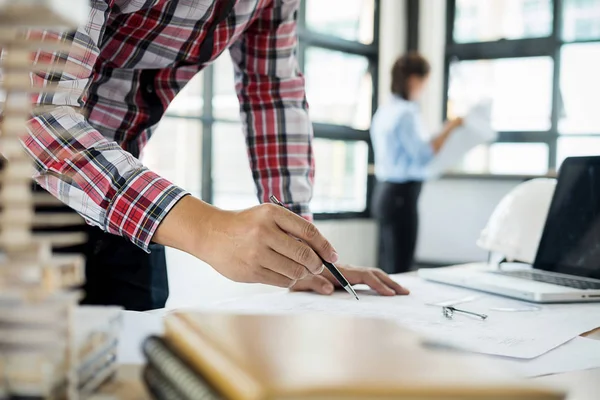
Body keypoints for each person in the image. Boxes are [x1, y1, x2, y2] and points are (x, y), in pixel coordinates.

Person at [23, 0, 409, 311]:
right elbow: (39, 117)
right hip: (20, 180)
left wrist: (299, 252)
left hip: (117, 184)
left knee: (141, 357)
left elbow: (272, 95)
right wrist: (208, 229)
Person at [370, 53, 463, 275]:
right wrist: (450, 127)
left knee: (387, 266)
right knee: (401, 269)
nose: (424, 88)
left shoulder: (385, 111)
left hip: (384, 192)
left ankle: (383, 311)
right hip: (401, 196)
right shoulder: (406, 113)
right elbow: (424, 154)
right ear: (413, 79)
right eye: (424, 82)